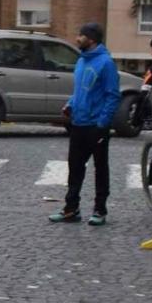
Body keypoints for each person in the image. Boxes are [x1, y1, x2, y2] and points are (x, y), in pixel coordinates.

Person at [49, 23, 120, 227]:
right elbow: (81, 90)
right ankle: (71, 209)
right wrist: (70, 104)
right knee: (75, 167)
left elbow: (112, 95)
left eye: (81, 35)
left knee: (100, 168)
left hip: (96, 125)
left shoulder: (106, 63)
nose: (77, 38)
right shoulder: (81, 60)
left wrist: (103, 123)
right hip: (78, 123)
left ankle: (100, 210)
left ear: (92, 39)